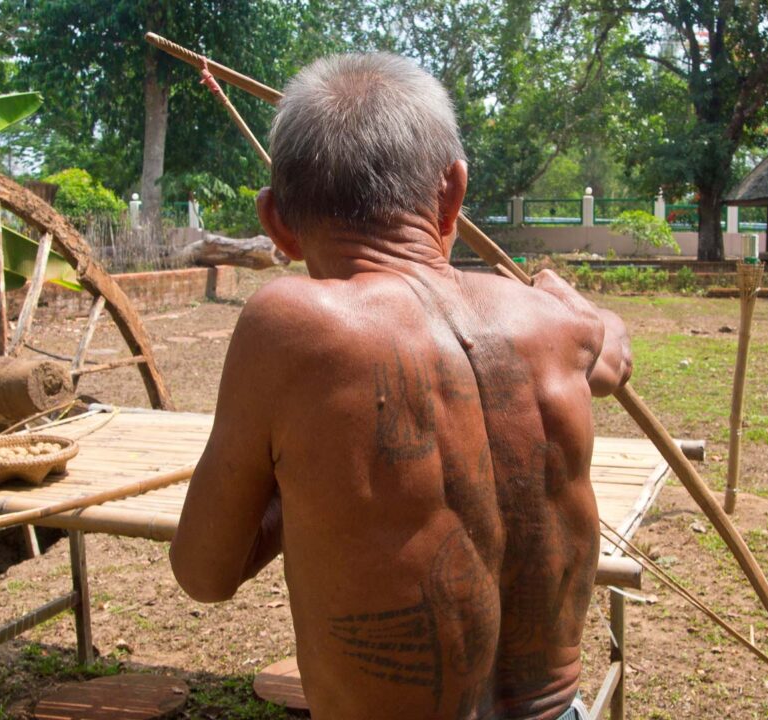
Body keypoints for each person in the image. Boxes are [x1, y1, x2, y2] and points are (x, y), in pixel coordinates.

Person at [170, 52, 632, 720]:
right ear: (453, 194)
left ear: (276, 224)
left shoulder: (289, 324)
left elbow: (204, 572)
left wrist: (296, 478)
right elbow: (612, 350)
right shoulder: (558, 324)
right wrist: (588, 315)